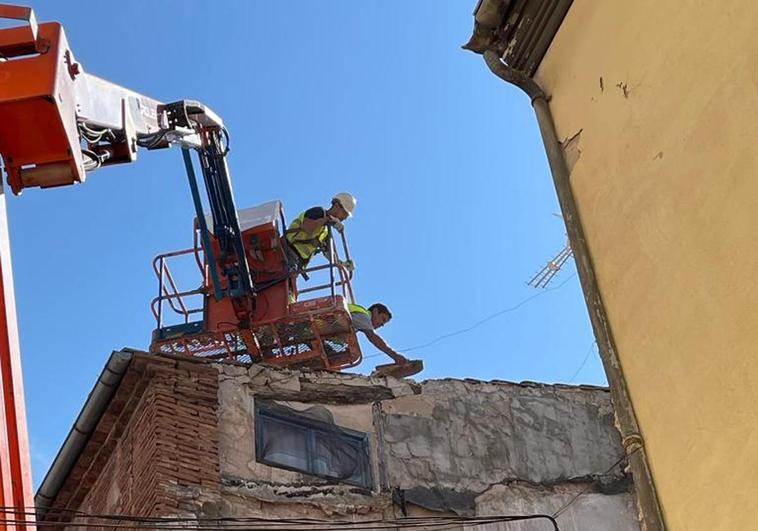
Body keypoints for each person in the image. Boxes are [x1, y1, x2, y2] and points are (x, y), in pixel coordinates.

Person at [285, 192, 357, 273]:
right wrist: (329, 219)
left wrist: (343, 264)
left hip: (297, 263)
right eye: (344, 213)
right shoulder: (318, 212)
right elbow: (307, 227)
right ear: (336, 206)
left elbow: (330, 254)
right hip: (286, 251)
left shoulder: (325, 231)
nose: (345, 218)